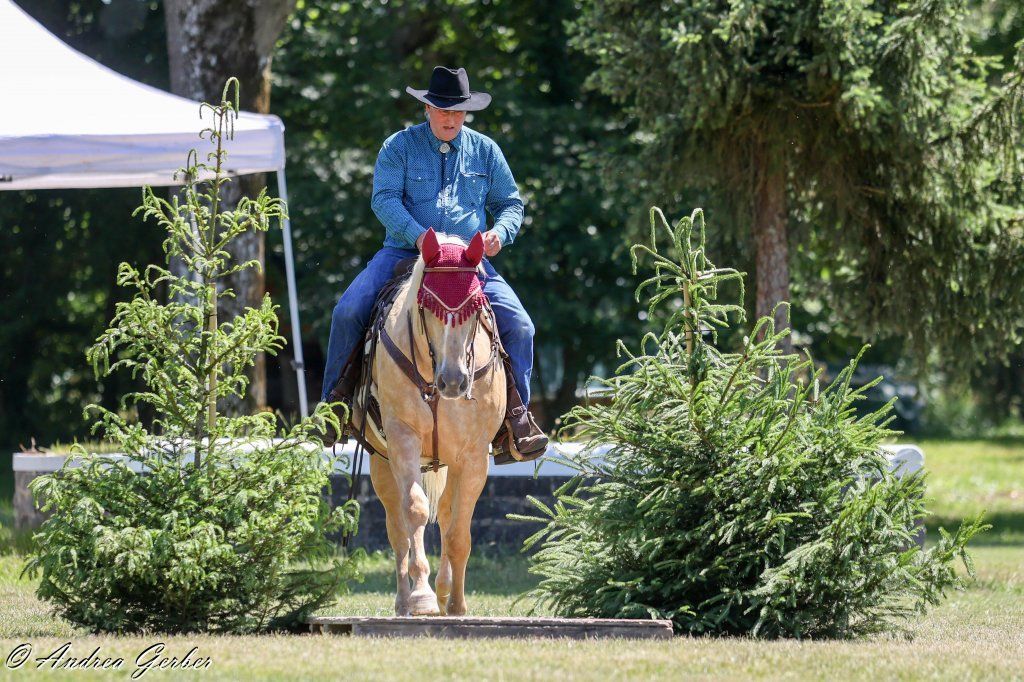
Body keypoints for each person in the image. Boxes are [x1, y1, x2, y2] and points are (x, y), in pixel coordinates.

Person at [318, 66, 548, 461]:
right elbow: (384, 199)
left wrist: (500, 233)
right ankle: (335, 407)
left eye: (458, 111)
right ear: (427, 107)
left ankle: (515, 421)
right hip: (405, 253)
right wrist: (419, 235)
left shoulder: (485, 150)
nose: (451, 119)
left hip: (465, 262)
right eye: (443, 110)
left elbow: (511, 204)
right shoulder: (398, 146)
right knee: (348, 310)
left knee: (521, 326)